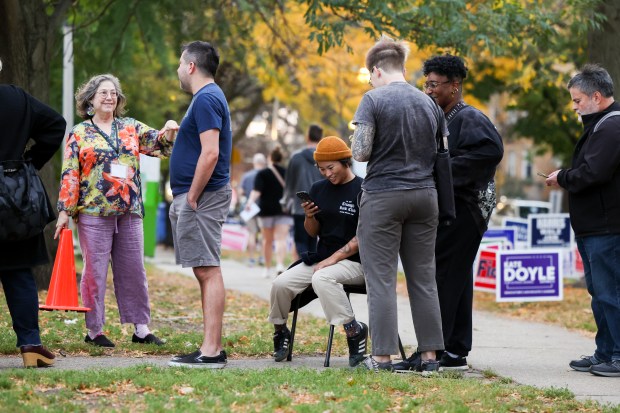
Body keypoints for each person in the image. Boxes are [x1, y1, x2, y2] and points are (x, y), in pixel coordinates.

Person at [392, 55, 504, 372]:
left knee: (440, 279)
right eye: (425, 84)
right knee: (455, 279)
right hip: (451, 210)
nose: (428, 90)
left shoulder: (469, 118)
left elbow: (491, 151)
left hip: (465, 210)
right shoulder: (442, 118)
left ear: (454, 86)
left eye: (434, 85)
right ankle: (454, 351)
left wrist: (442, 171)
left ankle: (432, 351)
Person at [55, 73, 177, 348]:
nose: (109, 97)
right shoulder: (79, 133)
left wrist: (168, 130)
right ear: (90, 101)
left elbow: (159, 144)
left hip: (129, 211)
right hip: (93, 214)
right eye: (103, 93)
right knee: (94, 273)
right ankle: (94, 330)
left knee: (134, 270)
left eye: (113, 93)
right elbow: (70, 174)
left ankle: (141, 328)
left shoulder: (130, 128)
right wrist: (65, 210)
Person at [352, 35, 445, 372]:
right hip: (425, 195)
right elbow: (439, 151)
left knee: (381, 279)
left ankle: (381, 356)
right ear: (402, 69)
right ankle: (431, 356)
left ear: (376, 70)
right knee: (423, 278)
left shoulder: (372, 99)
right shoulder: (430, 103)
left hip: (384, 196)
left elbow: (361, 152)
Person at [546, 64, 620, 378]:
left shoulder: (611, 127)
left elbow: (594, 172)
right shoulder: (600, 126)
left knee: (610, 292)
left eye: (577, 101)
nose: (574, 107)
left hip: (607, 226)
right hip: (594, 226)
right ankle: (605, 352)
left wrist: (563, 176)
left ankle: (616, 355)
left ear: (597, 96)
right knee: (599, 293)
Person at [268, 136, 368, 367]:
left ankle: (354, 331)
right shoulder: (318, 189)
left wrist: (332, 259)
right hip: (323, 258)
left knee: (322, 276)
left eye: (330, 168)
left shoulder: (362, 189)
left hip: (355, 262)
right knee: (280, 284)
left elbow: (363, 236)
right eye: (321, 169)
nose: (326, 174)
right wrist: (310, 216)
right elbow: (312, 233)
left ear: (345, 162)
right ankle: (280, 331)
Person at [167, 41, 233, 368]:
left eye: (181, 63)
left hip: (203, 197)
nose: (179, 69)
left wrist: (192, 195)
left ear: (191, 66)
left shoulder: (206, 98)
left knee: (208, 269)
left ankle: (211, 351)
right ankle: (211, 348)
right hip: (200, 196)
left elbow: (211, 153)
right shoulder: (206, 99)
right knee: (204, 268)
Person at [0, 58, 66, 368]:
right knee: (18, 272)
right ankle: (31, 346)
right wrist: (29, 163)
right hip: (15, 201)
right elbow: (55, 124)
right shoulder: (17, 98)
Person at [245, 147, 293, 278]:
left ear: (269, 159)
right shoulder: (287, 172)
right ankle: (280, 265)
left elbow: (256, 191)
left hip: (266, 211)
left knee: (267, 240)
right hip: (284, 211)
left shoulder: (262, 173)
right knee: (281, 239)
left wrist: (249, 203)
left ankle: (267, 268)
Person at [282, 124, 324, 257]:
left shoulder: (296, 158)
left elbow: (289, 183)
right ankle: (309, 269)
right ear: (321, 138)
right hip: (320, 205)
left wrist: (285, 202)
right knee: (313, 241)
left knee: (300, 241)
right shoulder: (324, 158)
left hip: (300, 206)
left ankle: (304, 268)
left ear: (307, 137)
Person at [238, 153, 266, 266]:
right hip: (263, 208)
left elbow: (241, 191)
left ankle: (251, 259)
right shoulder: (266, 175)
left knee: (252, 234)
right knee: (264, 235)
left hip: (250, 208)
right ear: (263, 163)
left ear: (254, 162)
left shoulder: (247, 175)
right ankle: (262, 258)